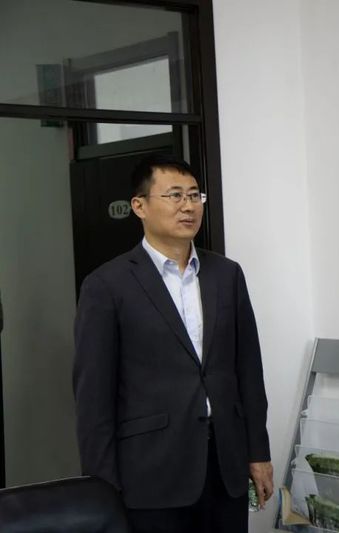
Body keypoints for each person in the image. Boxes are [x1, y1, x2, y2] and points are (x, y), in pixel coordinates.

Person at [73, 154, 273, 533]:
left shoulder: (226, 274)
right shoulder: (106, 286)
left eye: (195, 195)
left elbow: (249, 371)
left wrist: (258, 453)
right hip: (150, 473)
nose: (188, 206)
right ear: (139, 206)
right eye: (175, 195)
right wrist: (101, 486)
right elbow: (93, 397)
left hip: (225, 465)